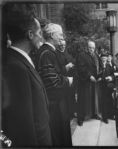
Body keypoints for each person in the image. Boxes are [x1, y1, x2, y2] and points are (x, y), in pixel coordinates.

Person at [2, 4, 52, 147]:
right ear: (30, 35)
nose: (42, 37)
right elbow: (23, 127)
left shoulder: (20, 60)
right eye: (40, 33)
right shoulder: (14, 67)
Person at [35, 23, 72, 146]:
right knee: (59, 138)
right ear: (51, 35)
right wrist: (68, 80)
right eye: (60, 34)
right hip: (55, 107)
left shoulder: (50, 51)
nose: (62, 37)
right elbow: (53, 83)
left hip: (57, 105)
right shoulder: (47, 53)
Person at [76, 40, 101, 126]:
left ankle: (94, 114)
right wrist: (89, 76)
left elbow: (100, 66)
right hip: (85, 81)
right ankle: (80, 118)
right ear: (87, 47)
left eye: (93, 48)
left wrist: (100, 75)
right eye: (90, 47)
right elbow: (81, 68)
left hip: (94, 81)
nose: (92, 49)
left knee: (93, 99)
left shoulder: (96, 55)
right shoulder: (81, 55)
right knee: (83, 99)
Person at [98, 53, 115, 123]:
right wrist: (103, 78)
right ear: (101, 58)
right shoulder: (98, 66)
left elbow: (113, 75)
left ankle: (110, 115)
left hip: (108, 86)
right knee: (104, 102)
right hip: (101, 86)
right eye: (103, 57)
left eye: (105, 57)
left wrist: (111, 77)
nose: (104, 59)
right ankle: (105, 117)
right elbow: (97, 75)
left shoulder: (109, 66)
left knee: (110, 100)